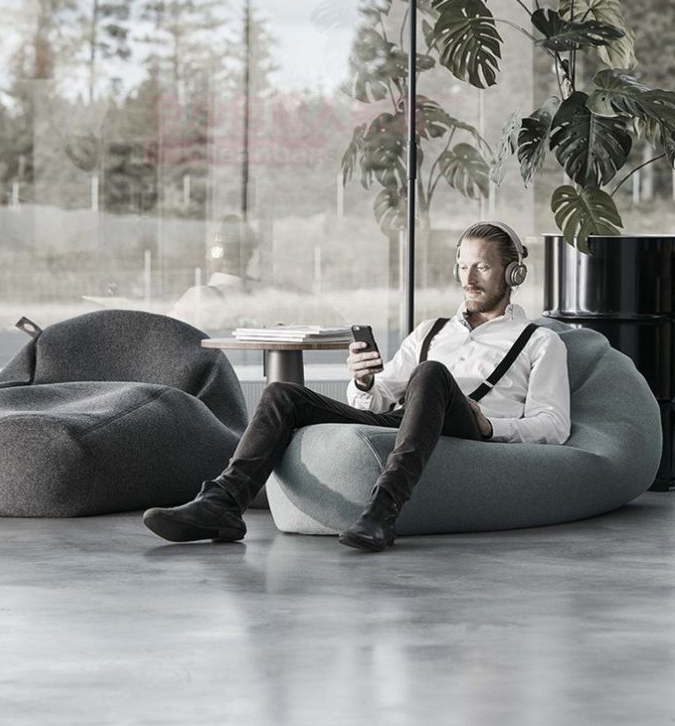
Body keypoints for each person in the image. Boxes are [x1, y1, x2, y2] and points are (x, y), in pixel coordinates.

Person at [143, 221, 571, 552]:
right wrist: (363, 380)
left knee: (430, 374)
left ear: (513, 273)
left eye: (482, 266)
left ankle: (383, 510)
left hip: (469, 428)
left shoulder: (539, 341)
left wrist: (490, 425)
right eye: (462, 265)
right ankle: (223, 502)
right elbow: (378, 397)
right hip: (406, 421)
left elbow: (553, 425)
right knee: (282, 394)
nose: (468, 278)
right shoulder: (430, 330)